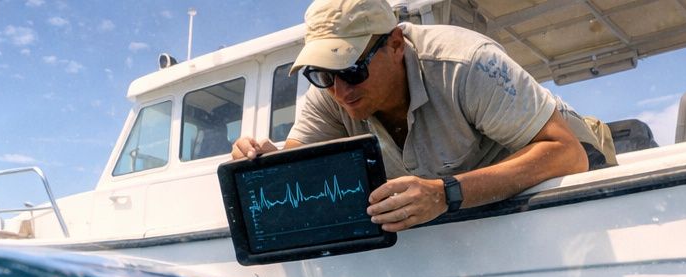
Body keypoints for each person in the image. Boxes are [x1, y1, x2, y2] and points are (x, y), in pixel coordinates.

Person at [231, 0, 617, 233]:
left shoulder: (466, 63)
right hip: (469, 194)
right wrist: (267, 163)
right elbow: (296, 171)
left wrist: (444, 194)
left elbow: (567, 154)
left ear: (395, 44)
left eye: (352, 69)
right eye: (323, 74)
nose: (341, 91)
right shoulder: (331, 91)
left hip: (573, 157)